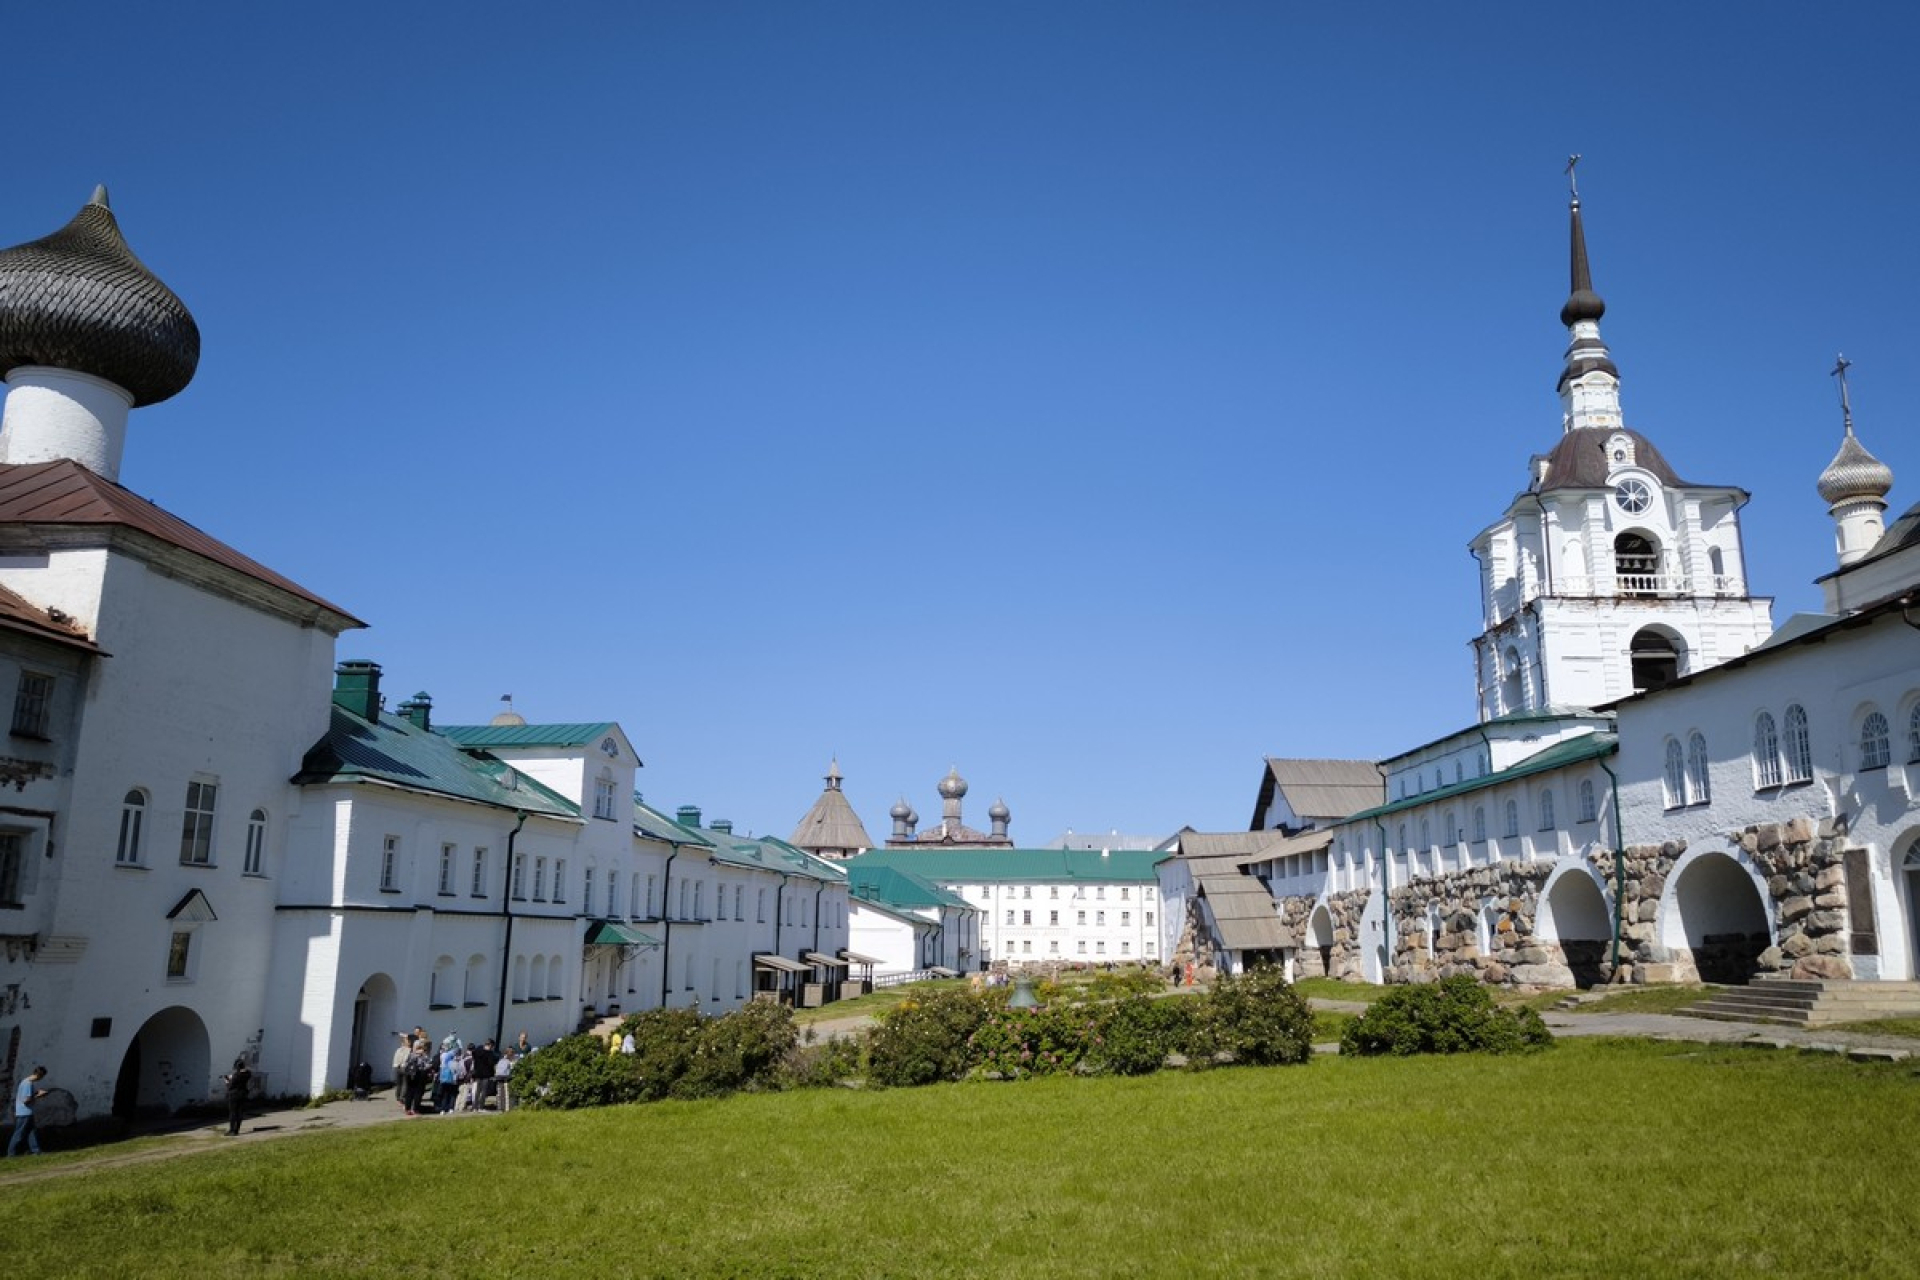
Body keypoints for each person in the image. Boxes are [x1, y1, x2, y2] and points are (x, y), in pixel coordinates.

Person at [9, 1065, 47, 1156]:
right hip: (24, 1112)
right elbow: (26, 1100)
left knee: (31, 1132)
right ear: (39, 1075)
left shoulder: (25, 1082)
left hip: (26, 1112)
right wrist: (39, 1096)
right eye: (42, 1077)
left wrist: (36, 1092)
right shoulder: (28, 1083)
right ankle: (11, 1153)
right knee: (19, 1133)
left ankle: (36, 1150)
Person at [223, 1057, 253, 1136]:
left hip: (234, 1095)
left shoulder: (236, 1076)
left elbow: (230, 1087)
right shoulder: (247, 1074)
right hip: (243, 1094)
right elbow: (247, 1072)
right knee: (240, 1112)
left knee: (233, 1112)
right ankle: (236, 1130)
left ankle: (232, 1130)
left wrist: (227, 1081)